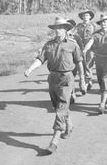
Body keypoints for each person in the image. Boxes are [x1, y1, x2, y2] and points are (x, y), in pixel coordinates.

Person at [24, 17, 84, 154]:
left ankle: (54, 141)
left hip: (67, 78)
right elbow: (40, 59)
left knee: (61, 109)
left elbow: (79, 62)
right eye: (56, 28)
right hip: (53, 78)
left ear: (66, 29)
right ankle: (69, 125)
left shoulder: (73, 44)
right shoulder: (49, 45)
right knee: (59, 106)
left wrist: (83, 80)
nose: (58, 30)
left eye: (61, 27)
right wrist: (30, 69)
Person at [73, 10, 98, 91]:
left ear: (90, 16)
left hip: (90, 48)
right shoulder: (79, 26)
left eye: (87, 15)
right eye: (84, 16)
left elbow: (97, 36)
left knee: (88, 65)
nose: (85, 17)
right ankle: (88, 80)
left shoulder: (94, 26)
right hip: (80, 47)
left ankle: (85, 84)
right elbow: (73, 34)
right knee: (81, 65)